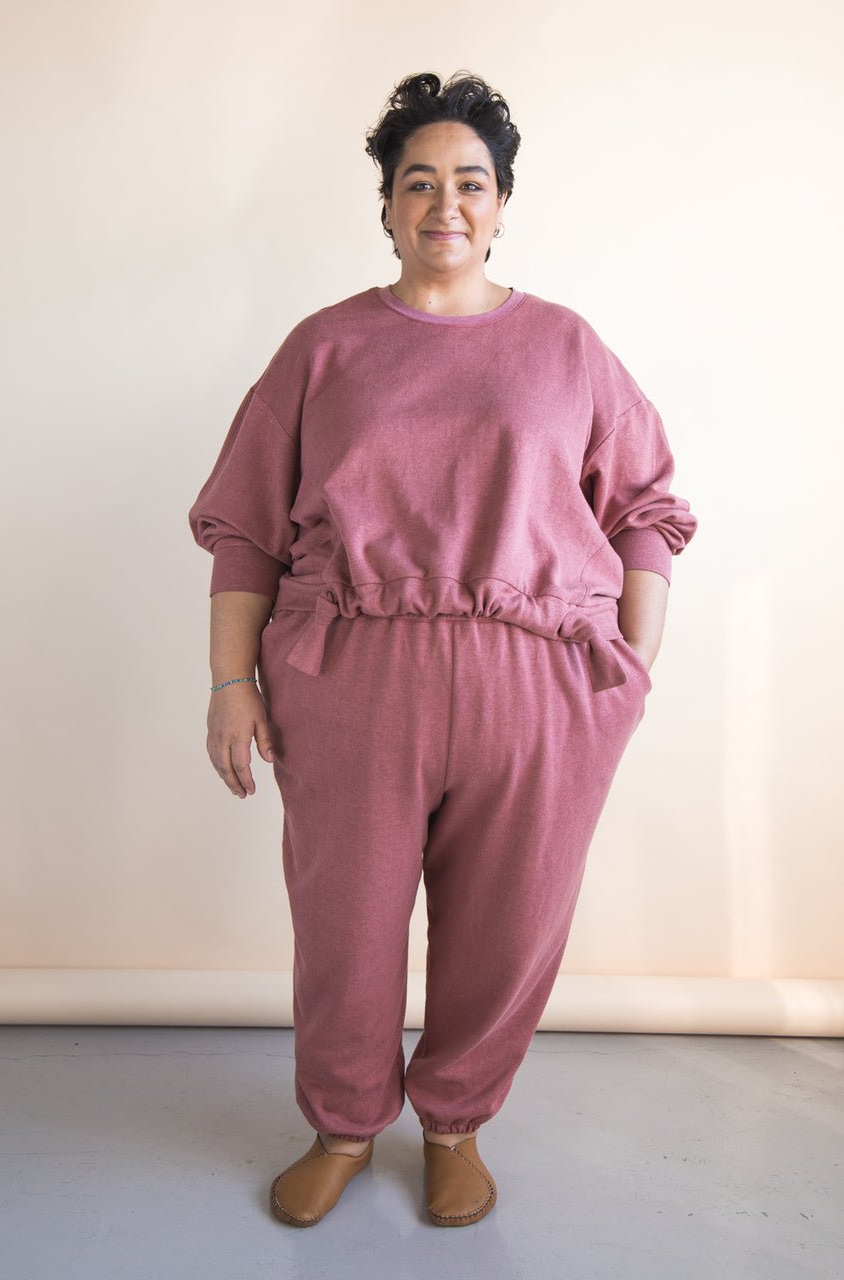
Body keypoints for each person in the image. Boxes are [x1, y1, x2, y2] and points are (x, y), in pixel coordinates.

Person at [188, 69, 698, 1229]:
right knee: (345, 925)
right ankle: (342, 1124)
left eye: (470, 181)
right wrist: (229, 679)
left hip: (535, 685)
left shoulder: (566, 347)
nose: (445, 203)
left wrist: (629, 672)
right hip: (350, 676)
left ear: (503, 201)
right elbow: (244, 527)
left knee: (508, 926)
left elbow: (646, 509)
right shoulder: (324, 347)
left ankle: (456, 1122)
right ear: (385, 204)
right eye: (418, 182)